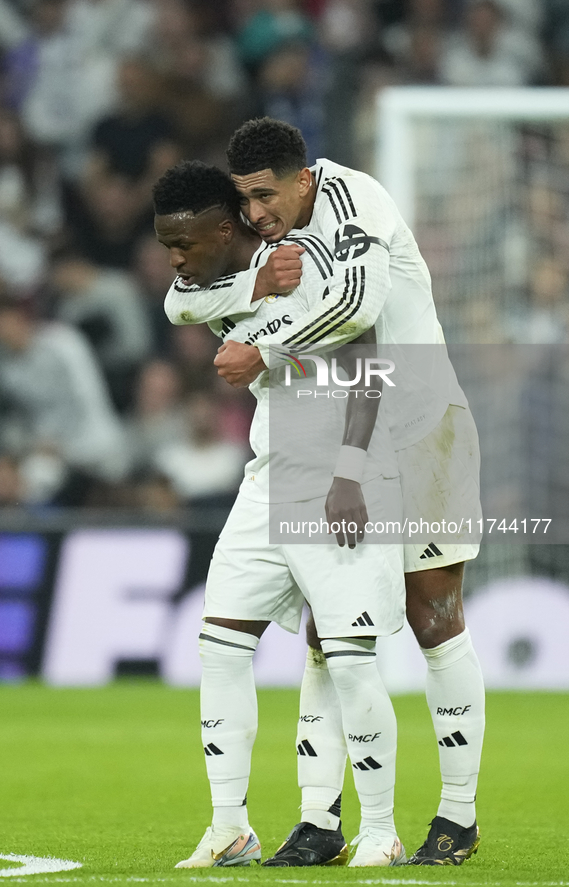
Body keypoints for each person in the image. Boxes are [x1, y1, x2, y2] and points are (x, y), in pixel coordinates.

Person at [164, 118, 484, 868]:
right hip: (332, 438)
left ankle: (457, 815)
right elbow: (186, 301)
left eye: (266, 195)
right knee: (325, 633)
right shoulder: (276, 246)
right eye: (244, 200)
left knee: (432, 616)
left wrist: (265, 344)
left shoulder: (356, 203)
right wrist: (249, 291)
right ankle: (318, 818)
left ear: (302, 179)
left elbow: (359, 310)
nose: (256, 213)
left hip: (421, 425)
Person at [153, 161, 407, 868]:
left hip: (339, 473)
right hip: (266, 476)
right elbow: (178, 304)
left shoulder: (309, 263)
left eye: (184, 244)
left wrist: (349, 471)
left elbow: (367, 361)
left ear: (225, 230)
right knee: (220, 641)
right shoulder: (212, 288)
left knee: (351, 657)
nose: (174, 260)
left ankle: (380, 828)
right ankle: (230, 826)